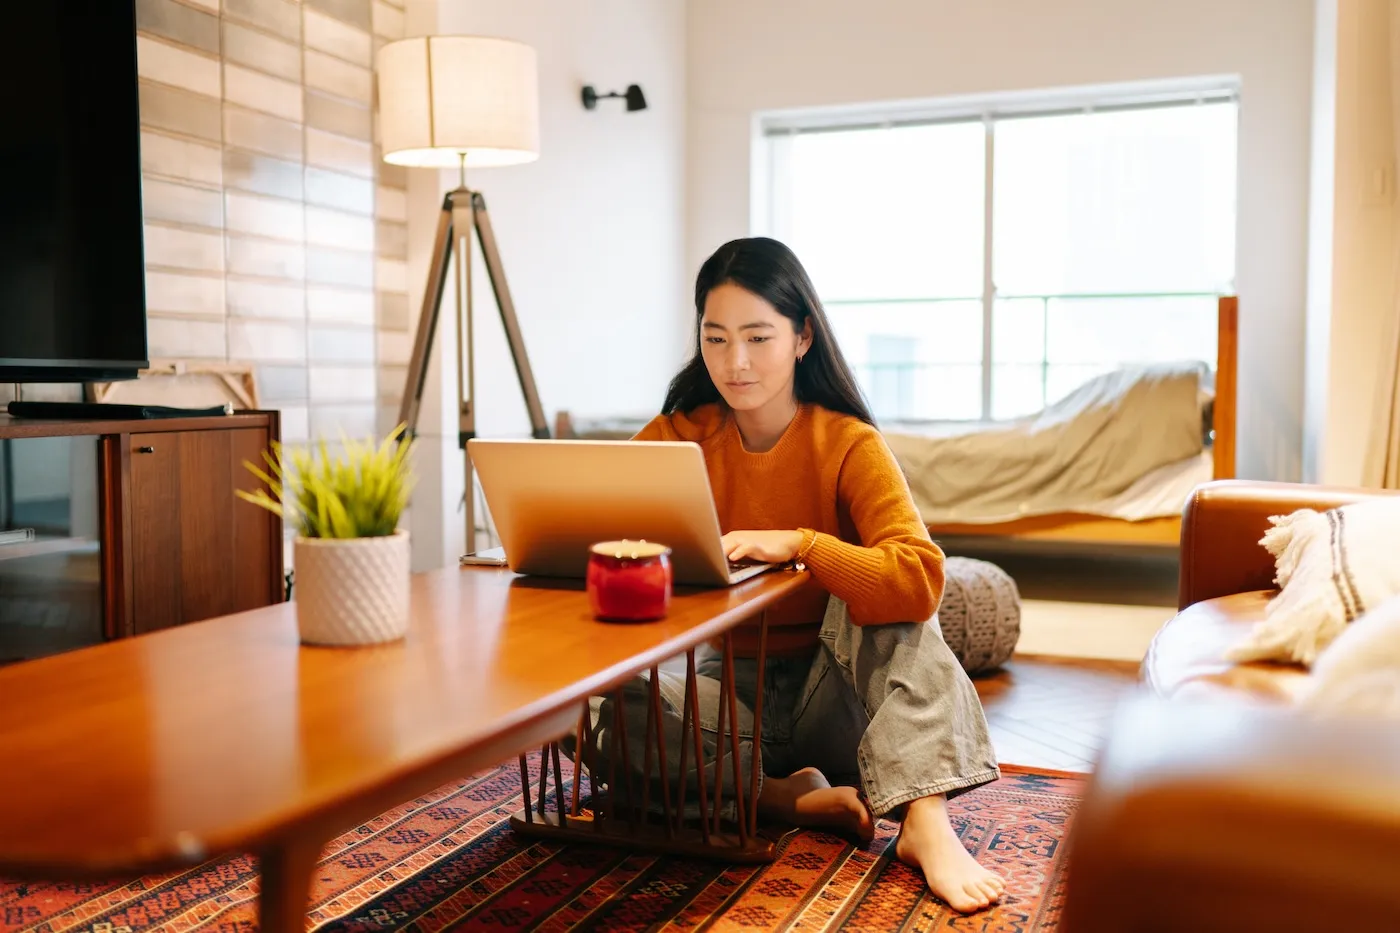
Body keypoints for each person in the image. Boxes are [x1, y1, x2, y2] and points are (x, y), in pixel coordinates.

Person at [577, 236, 1004, 913]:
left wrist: (806, 546)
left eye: (757, 336)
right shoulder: (677, 436)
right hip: (725, 698)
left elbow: (922, 577)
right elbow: (590, 526)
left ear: (803, 336)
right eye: (715, 339)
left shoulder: (848, 442)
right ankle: (777, 795)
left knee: (888, 601)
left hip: (834, 699)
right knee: (587, 708)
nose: (735, 361)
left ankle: (926, 820)